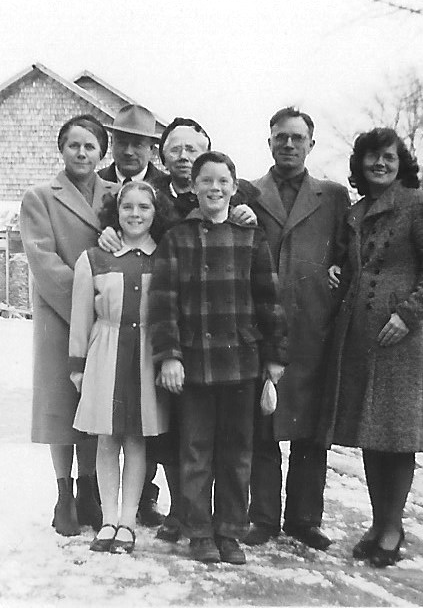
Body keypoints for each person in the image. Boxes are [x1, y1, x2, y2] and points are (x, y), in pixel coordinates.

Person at [98, 117, 258, 539]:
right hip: (174, 338)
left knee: (217, 441)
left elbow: (260, 278)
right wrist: (110, 232)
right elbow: (126, 217)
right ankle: (179, 513)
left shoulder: (238, 209)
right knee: (175, 437)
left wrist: (246, 212)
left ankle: (208, 521)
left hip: (226, 344)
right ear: (163, 154)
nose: (183, 157)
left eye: (193, 149)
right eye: (176, 149)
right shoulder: (158, 199)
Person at [149, 151, 288, 565]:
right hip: (193, 362)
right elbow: (163, 304)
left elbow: (270, 300)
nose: (214, 188)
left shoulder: (251, 236)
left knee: (237, 451)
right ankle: (199, 531)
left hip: (241, 362)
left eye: (222, 181)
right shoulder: (177, 237)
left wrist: (275, 356)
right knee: (195, 451)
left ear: (233, 186)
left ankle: (230, 531)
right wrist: (169, 357)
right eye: (206, 180)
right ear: (193, 187)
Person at [324, 127, 423, 567]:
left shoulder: (421, 207)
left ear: (401, 163)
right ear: (359, 164)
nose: (380, 164)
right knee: (372, 438)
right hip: (362, 340)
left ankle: (392, 529)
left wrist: (407, 315)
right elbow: (352, 261)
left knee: (398, 439)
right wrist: (337, 271)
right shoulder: (357, 212)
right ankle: (379, 524)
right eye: (371, 157)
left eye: (389, 157)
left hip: (400, 341)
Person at [244, 107, 351, 551]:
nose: (289, 144)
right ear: (269, 142)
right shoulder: (247, 192)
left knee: (311, 428)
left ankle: (305, 519)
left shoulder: (333, 197)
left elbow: (348, 252)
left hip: (313, 327)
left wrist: (338, 275)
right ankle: (264, 517)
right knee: (262, 424)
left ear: (311, 144)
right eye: (281, 137)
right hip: (262, 323)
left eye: (297, 138)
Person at [19, 114, 116, 536]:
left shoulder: (117, 195)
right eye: (73, 145)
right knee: (62, 404)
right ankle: (63, 493)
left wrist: (106, 306)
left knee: (96, 403)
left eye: (90, 146)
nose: (81, 153)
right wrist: (86, 303)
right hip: (60, 314)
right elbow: (43, 260)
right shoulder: (40, 197)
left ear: (101, 153)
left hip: (108, 314)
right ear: (62, 149)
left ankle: (89, 488)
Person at [69, 181, 171, 554]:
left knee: (136, 438)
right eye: (127, 207)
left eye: (144, 208)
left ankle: (128, 521)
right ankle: (108, 518)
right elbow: (81, 315)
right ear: (117, 212)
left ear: (155, 214)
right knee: (107, 438)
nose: (135, 214)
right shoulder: (94, 258)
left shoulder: (163, 258)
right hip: (105, 353)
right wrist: (77, 365)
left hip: (145, 356)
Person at [96, 103, 167, 527]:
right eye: (122, 141)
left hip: (149, 316)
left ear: (150, 149)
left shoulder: (164, 190)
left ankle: (144, 500)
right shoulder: (101, 186)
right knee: (106, 425)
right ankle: (101, 507)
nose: (129, 150)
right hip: (110, 310)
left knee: (143, 427)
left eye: (138, 143)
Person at [98, 104, 167, 186]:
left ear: (151, 148)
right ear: (112, 143)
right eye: (122, 143)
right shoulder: (95, 183)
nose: (128, 152)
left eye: (138, 145)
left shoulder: (166, 188)